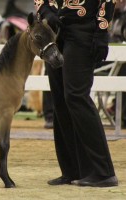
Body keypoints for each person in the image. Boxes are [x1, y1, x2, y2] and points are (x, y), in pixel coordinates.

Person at [33, 0, 118, 187]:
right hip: (55, 30)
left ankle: (103, 172)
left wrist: (102, 29)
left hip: (84, 30)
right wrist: (46, 11)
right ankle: (72, 170)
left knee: (75, 96)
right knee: (60, 98)